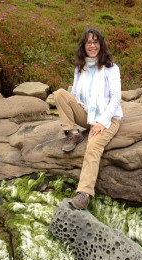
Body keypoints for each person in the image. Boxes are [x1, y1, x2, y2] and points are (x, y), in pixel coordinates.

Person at [54, 28, 123, 210]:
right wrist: (71, 111)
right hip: (88, 114)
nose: (92, 45)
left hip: (107, 118)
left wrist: (102, 122)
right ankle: (74, 133)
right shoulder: (80, 67)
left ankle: (84, 194)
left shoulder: (111, 68)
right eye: (88, 42)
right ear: (83, 46)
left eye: (95, 42)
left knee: (93, 146)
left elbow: (116, 99)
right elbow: (74, 94)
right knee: (60, 94)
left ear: (101, 45)